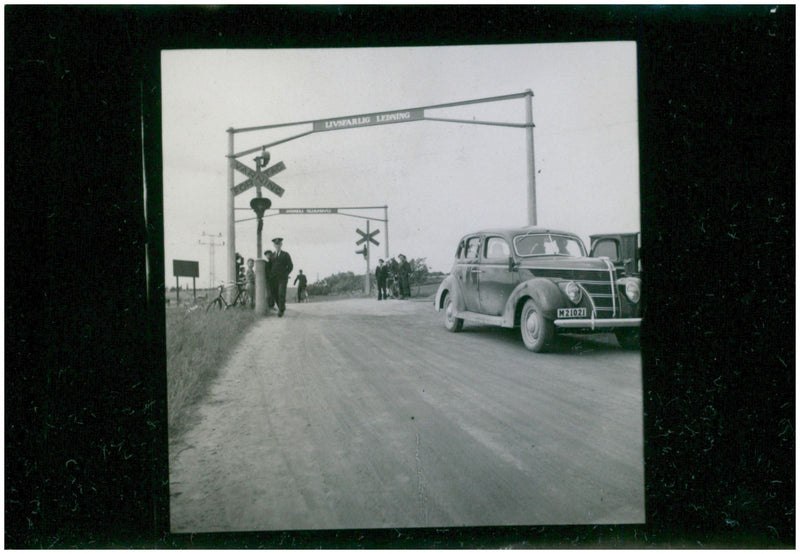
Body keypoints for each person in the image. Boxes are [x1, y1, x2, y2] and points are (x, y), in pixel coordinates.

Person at [266, 237, 293, 317]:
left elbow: (290, 266)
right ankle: (281, 307)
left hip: (282, 278)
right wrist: (270, 275)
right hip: (273, 279)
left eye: (279, 244)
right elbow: (269, 267)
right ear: (274, 245)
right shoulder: (272, 256)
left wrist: (285, 274)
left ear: (281, 245)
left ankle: (281, 310)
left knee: (281, 293)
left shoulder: (285, 254)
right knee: (275, 294)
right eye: (276, 244)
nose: (277, 245)